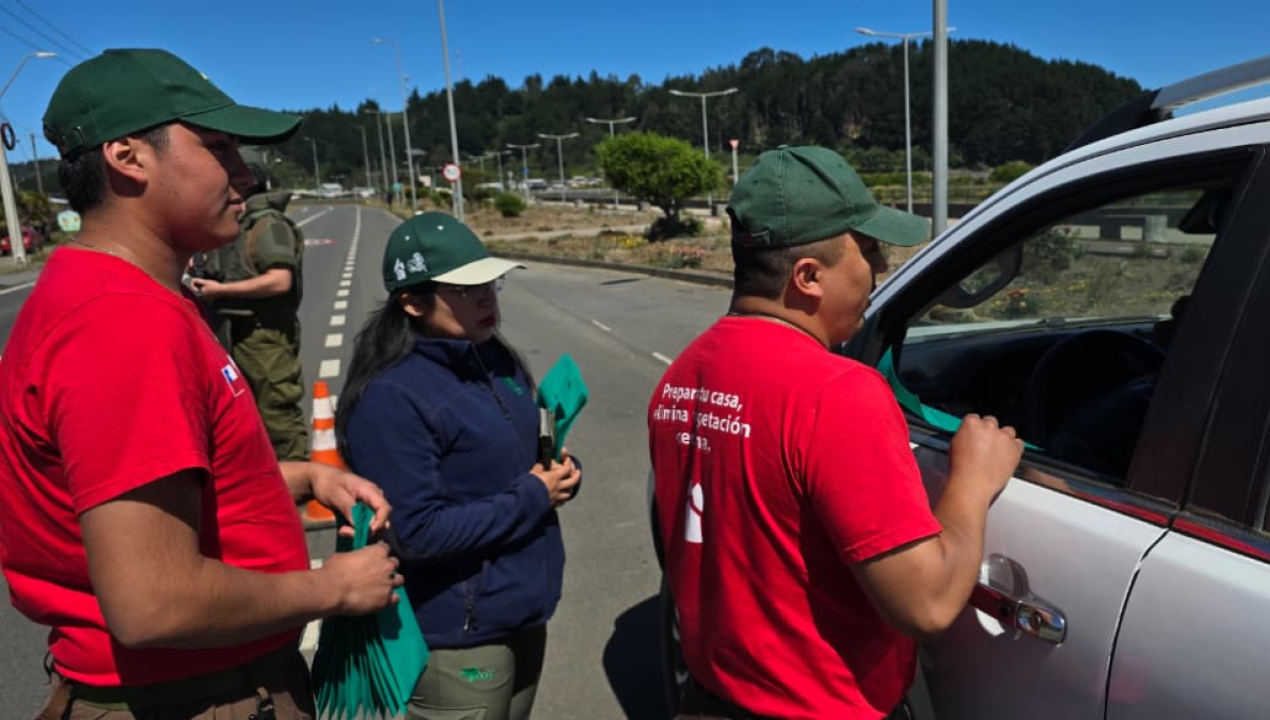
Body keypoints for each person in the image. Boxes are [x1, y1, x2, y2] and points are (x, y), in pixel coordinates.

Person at [0, 48, 402, 719]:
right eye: (218, 148)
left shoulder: (126, 298)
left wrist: (305, 477)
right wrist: (330, 589)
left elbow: (171, 487)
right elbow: (154, 602)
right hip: (199, 696)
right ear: (128, 158)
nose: (244, 174)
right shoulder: (121, 323)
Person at [648, 146, 1024, 720]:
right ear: (808, 277)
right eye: (869, 251)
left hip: (709, 700)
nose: (880, 268)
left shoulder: (682, 375)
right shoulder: (837, 394)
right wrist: (973, 479)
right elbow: (926, 605)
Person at [336, 212, 581, 720]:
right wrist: (535, 495)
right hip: (458, 636)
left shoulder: (494, 359)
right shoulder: (391, 397)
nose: (488, 297)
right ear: (412, 302)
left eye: (491, 282)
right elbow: (416, 532)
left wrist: (559, 471)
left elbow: (515, 464)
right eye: (467, 290)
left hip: (523, 611)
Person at [193, 162, 308, 461]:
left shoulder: (268, 225)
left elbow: (280, 280)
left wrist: (222, 291)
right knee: (237, 416)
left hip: (264, 334)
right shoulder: (233, 223)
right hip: (231, 331)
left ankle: (296, 482)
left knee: (277, 415)